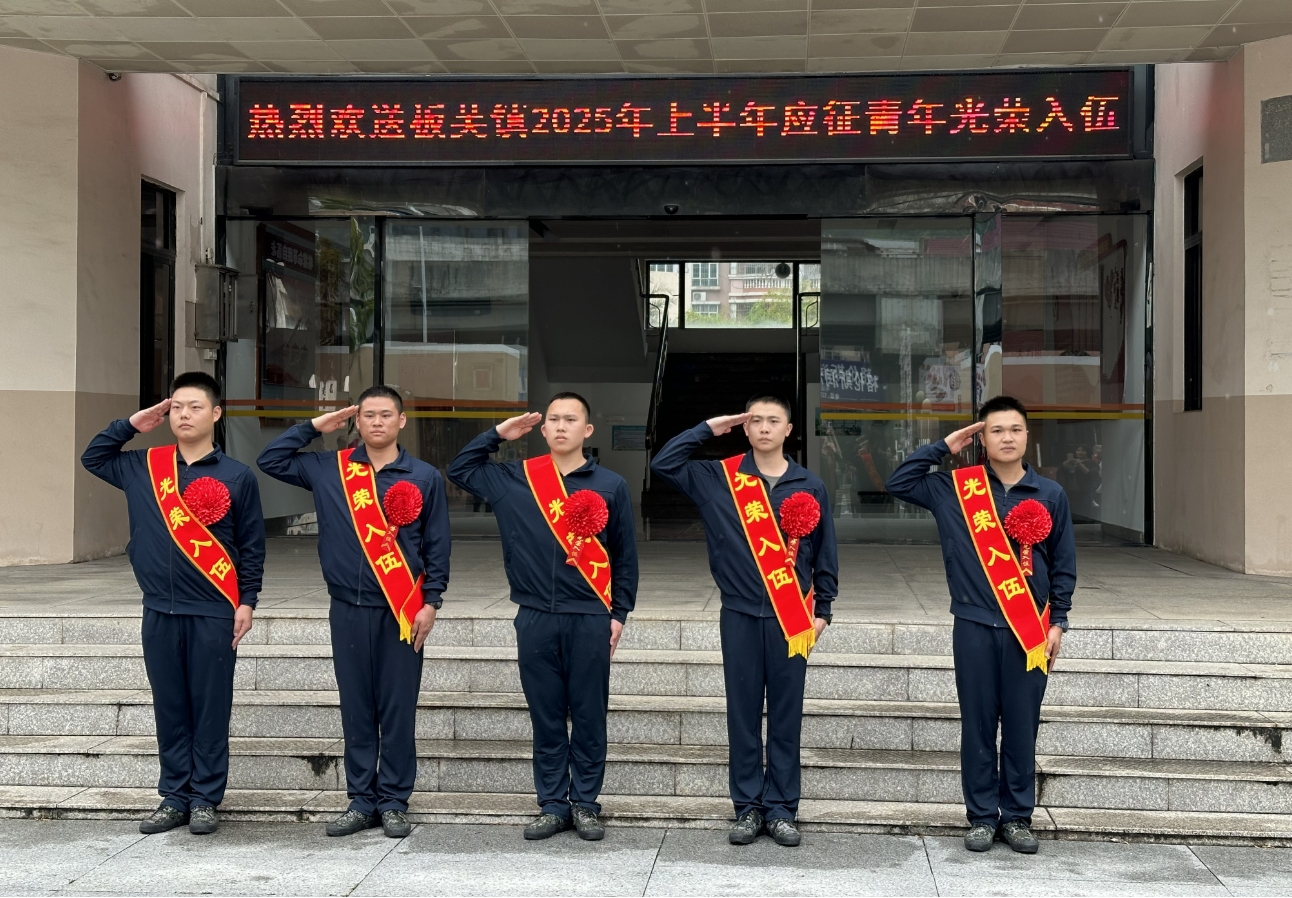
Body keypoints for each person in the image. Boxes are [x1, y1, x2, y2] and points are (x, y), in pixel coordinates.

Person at [885, 395, 1076, 855]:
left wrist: (1058, 622)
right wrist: (944, 446)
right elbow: (898, 482)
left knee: (1022, 725)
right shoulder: (955, 488)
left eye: (1015, 429)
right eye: (996, 430)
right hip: (973, 624)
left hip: (1029, 629)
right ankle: (981, 817)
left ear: (1027, 436)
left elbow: (1064, 564)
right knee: (977, 725)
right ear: (981, 439)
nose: (1007, 438)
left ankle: (1018, 817)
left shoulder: (1050, 494)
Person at [257, 385, 449, 839]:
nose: (377, 422)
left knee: (397, 708)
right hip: (346, 607)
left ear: (401, 421)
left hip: (402, 610)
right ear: (356, 421)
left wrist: (431, 602)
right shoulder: (330, 468)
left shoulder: (424, 476)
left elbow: (437, 544)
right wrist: (314, 426)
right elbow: (270, 460)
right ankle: (362, 801)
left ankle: (394, 801)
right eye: (368, 415)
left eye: (386, 414)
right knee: (357, 707)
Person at [447, 393, 638, 842]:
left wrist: (619, 614)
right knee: (546, 715)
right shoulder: (515, 477)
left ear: (587, 430)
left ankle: (585, 804)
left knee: (589, 715)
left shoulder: (610, 485)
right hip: (534, 615)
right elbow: (459, 470)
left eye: (571, 419)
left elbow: (625, 556)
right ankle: (552, 804)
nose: (561, 426)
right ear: (543, 428)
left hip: (590, 616)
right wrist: (498, 434)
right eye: (553, 419)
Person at [81, 372, 265, 836]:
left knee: (210, 706)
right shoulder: (144, 466)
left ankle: (205, 799)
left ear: (216, 413)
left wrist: (247, 601)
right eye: (177, 407)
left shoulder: (237, 476)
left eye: (195, 407)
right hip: (159, 608)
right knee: (170, 705)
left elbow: (251, 546)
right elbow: (93, 457)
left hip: (214, 609)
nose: (184, 415)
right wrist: (130, 425)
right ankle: (174, 797)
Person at [650, 396, 838, 848]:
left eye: (774, 421)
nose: (765, 428)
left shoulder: (809, 485)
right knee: (743, 714)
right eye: (756, 421)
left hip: (792, 618)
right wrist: (707, 428)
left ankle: (782, 810)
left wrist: (823, 612)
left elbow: (825, 551)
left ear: (789, 430)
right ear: (745, 428)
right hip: (738, 614)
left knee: (787, 716)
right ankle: (748, 807)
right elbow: (663, 464)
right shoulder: (719, 477)